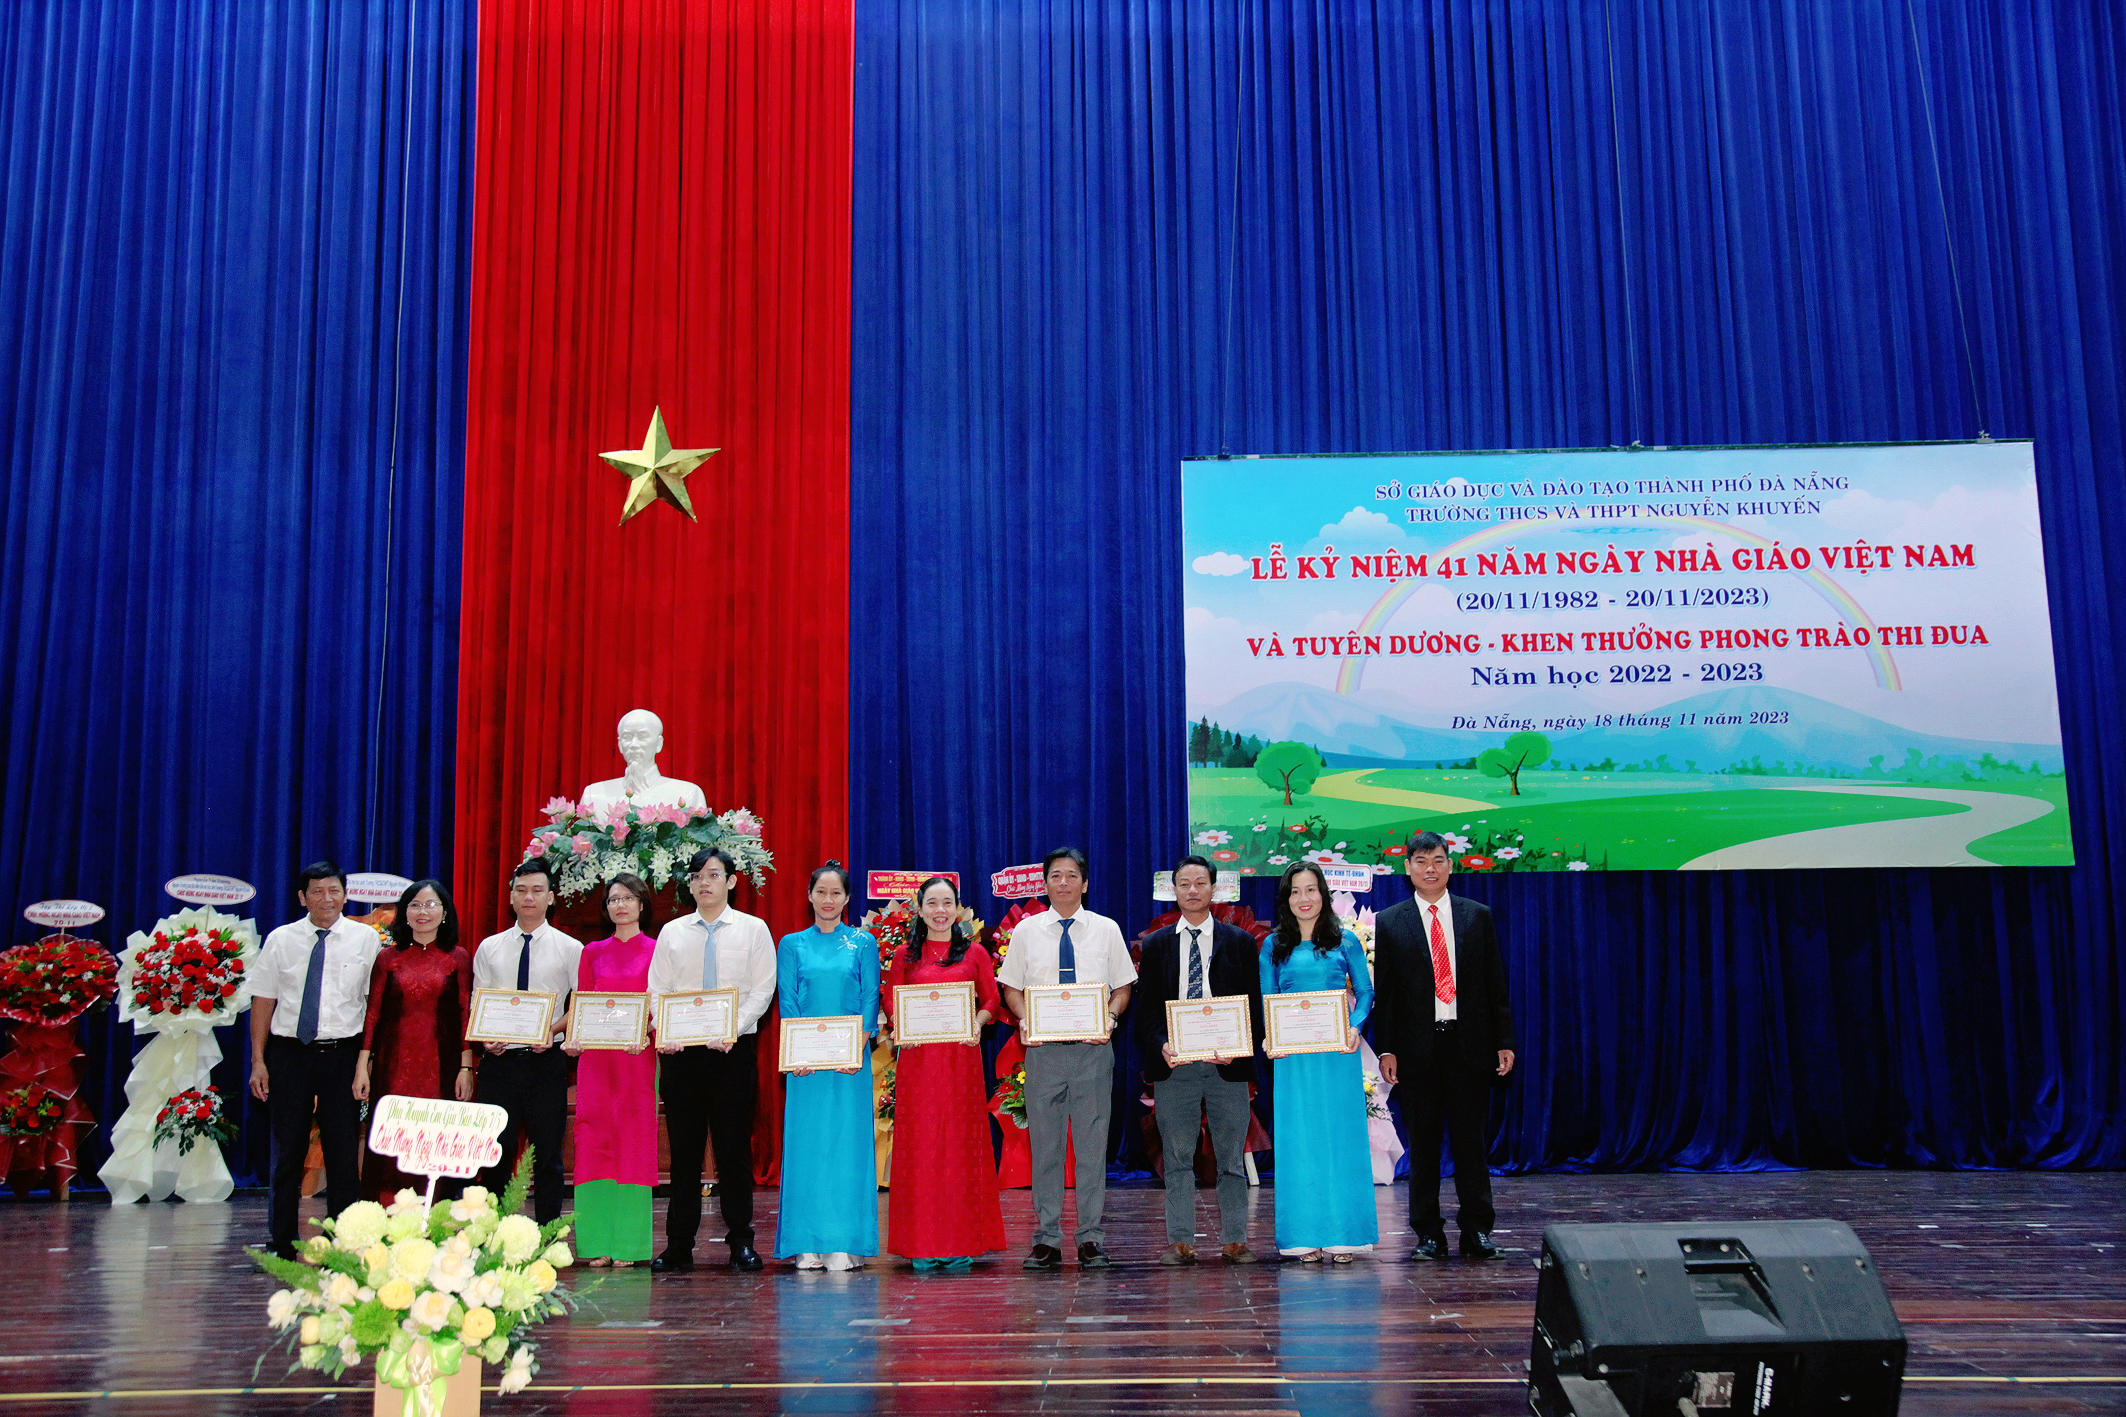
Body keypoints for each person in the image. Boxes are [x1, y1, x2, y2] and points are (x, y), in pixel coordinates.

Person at [1372, 830, 1516, 1262]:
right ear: (1408, 868)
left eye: (1438, 860)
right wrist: (1387, 1049)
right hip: (1417, 1051)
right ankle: (1428, 1234)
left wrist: (1504, 1041)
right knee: (1424, 1145)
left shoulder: (1477, 916)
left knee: (1471, 1144)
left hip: (1470, 1046)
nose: (1430, 869)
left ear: (1450, 865)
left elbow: (1495, 984)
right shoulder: (1390, 921)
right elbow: (1387, 994)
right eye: (1421, 861)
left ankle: (1477, 1231)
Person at [996, 848, 1136, 1270]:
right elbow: (1010, 987)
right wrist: (1025, 1018)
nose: (1063, 882)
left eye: (1072, 875)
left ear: (1085, 883)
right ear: (1045, 883)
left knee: (1092, 1149)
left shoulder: (1106, 929)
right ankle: (1047, 1239)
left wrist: (1110, 1017)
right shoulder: (1026, 931)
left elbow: (1123, 987)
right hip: (1043, 1054)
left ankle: (1091, 1237)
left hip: (1093, 1051)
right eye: (1055, 875)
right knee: (1046, 1148)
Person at [648, 847, 776, 1272]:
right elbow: (657, 990)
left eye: (714, 874)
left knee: (732, 1150)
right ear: (690, 883)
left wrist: (731, 1028)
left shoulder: (753, 930)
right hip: (681, 1056)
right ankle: (678, 1245)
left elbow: (762, 989)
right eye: (697, 875)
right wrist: (664, 1029)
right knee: (683, 1154)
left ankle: (741, 1241)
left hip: (732, 1053)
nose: (705, 882)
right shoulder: (672, 932)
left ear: (731, 881)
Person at [1135, 854, 1265, 1265]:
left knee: (1231, 1157)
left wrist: (1239, 1044)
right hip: (1176, 1065)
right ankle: (1180, 1240)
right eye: (1184, 884)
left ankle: (1235, 1239)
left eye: (1200, 883)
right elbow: (1146, 1012)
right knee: (1176, 1157)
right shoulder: (1156, 944)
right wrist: (1161, 1045)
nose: (1192, 890)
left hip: (1228, 1065)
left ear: (1214, 888)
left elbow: (1254, 1007)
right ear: (1173, 890)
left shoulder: (1239, 942)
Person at [248, 861, 381, 1259]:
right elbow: (263, 1001)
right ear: (302, 897)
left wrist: (365, 1062)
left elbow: (373, 1005)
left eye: (334, 890)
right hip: (289, 1055)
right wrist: (258, 1060)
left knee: (343, 1153)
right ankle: (281, 1243)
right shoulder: (281, 939)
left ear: (345, 895)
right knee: (287, 1152)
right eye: (318, 891)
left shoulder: (366, 939)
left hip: (342, 1055)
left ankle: (343, 1245)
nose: (327, 898)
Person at [881, 875, 1005, 1268]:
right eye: (932, 903)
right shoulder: (904, 955)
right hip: (918, 1063)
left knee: (959, 1147)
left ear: (958, 909)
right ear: (919, 910)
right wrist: (900, 1025)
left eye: (947, 903)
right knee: (921, 1149)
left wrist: (977, 1023)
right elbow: (890, 1001)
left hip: (960, 1062)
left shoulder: (975, 953)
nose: (940, 911)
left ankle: (961, 1242)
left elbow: (992, 1000)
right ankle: (921, 1243)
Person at [1260, 861, 1377, 1262]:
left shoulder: (1345, 941)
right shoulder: (1273, 945)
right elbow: (1268, 999)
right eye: (1295, 891)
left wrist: (1355, 1026)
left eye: (1310, 889)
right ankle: (1302, 1237)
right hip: (1293, 1057)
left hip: (1337, 1053)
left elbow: (1365, 992)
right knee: (1299, 1141)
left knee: (1341, 1138)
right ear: (1286, 899)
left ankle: (1346, 1235)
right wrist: (1270, 1036)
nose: (1304, 898)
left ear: (1323, 894)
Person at [774, 861, 882, 1271]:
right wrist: (797, 1052)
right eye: (821, 892)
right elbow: (788, 1000)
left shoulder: (863, 942)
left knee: (846, 1148)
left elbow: (870, 997)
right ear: (809, 896)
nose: (828, 899)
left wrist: (857, 1046)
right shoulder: (791, 944)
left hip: (849, 1065)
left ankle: (842, 1242)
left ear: (847, 898)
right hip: (805, 1066)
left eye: (836, 893)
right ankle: (805, 1242)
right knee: (808, 1148)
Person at [471, 860, 583, 1223]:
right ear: (511, 897)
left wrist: (552, 1031)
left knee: (547, 1153)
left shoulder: (570, 948)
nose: (528, 897)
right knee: (496, 1152)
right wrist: (486, 1038)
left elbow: (580, 1005)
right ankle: (492, 1231)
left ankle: (548, 1232)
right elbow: (478, 1002)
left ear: (550, 897)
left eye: (537, 890)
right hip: (499, 1064)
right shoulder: (489, 947)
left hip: (545, 1063)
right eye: (521, 890)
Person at [352, 878, 476, 1201]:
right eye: (415, 905)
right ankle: (383, 1212)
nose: (423, 912)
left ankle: (434, 1213)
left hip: (440, 1066)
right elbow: (373, 1014)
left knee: (435, 1140)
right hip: (393, 1066)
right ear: (404, 914)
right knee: (391, 1139)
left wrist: (466, 1068)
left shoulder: (458, 958)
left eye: (431, 904)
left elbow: (465, 1014)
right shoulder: (387, 958)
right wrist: (363, 1066)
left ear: (445, 913)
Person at [567, 874, 658, 1267]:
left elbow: (661, 1005)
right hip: (596, 1061)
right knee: (594, 1139)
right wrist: (573, 1037)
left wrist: (648, 1029)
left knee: (633, 1140)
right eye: (613, 899)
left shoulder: (657, 950)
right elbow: (583, 1003)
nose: (620, 905)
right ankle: (596, 1242)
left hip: (636, 1058)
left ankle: (629, 1245)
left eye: (628, 898)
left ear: (642, 904)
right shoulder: (592, 952)